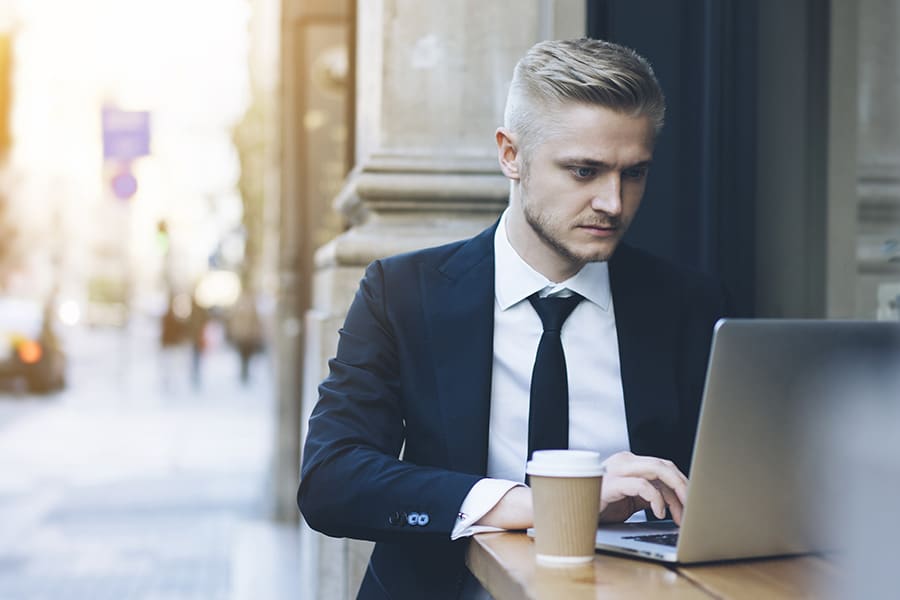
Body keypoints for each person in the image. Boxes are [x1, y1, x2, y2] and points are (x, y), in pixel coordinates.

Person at [298, 37, 729, 599]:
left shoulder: (686, 304)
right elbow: (333, 479)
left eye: (634, 173)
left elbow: (738, 491)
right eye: (584, 171)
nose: (614, 203)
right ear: (511, 155)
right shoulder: (403, 293)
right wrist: (554, 502)